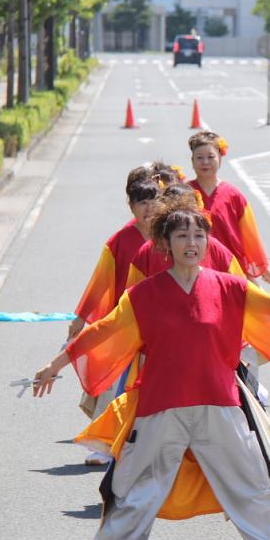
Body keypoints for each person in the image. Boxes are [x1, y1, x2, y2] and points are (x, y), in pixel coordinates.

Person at [32, 204, 270, 540]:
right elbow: (102, 331)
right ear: (166, 244)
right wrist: (56, 364)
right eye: (182, 236)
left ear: (208, 242)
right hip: (159, 406)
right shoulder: (143, 295)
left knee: (251, 483)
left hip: (219, 403)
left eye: (199, 235)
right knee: (134, 491)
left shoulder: (230, 288)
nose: (192, 243)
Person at [68, 172, 160, 465]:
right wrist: (81, 318)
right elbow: (101, 281)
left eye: (153, 201)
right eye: (141, 202)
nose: (148, 208)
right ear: (130, 206)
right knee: (115, 384)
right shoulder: (120, 241)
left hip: (161, 325)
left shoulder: (169, 236)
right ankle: (103, 445)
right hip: (124, 324)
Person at [186, 131, 270, 283]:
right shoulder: (184, 193)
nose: (205, 162)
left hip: (232, 269)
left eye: (211, 157)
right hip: (195, 269)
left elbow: (249, 234)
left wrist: (263, 267)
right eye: (199, 158)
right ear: (192, 161)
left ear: (220, 159)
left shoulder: (233, 195)